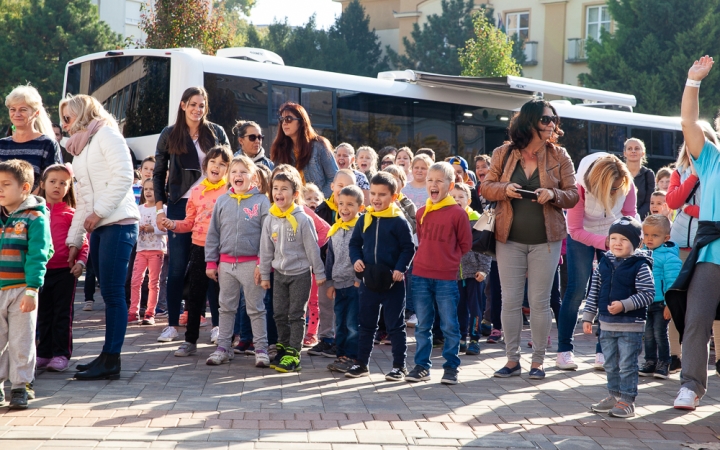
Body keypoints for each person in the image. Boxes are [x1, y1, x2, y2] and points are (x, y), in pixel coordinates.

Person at [481, 100, 579, 380]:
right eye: (546, 120)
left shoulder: (560, 155)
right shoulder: (503, 152)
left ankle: (538, 362)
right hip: (507, 238)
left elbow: (573, 194)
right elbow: (486, 187)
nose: (551, 125)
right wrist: (504, 189)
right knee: (509, 301)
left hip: (546, 240)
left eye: (553, 120)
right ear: (530, 121)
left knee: (539, 301)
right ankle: (512, 360)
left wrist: (554, 195)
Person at [63, 94, 139, 381]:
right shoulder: (81, 148)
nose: (65, 124)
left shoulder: (107, 133)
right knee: (108, 292)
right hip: (100, 225)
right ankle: (107, 356)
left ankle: (112, 359)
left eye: (68, 118)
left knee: (112, 293)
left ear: (82, 114)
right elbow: (82, 198)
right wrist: (75, 239)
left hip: (118, 222)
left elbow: (124, 176)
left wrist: (99, 212)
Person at [153, 87, 229, 343]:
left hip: (214, 205)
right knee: (176, 268)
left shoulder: (216, 132)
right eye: (193, 104)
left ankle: (218, 324)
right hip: (178, 204)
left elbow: (231, 163)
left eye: (202, 105)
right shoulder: (169, 133)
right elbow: (158, 172)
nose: (198, 109)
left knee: (212, 267)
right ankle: (172, 324)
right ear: (183, 105)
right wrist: (159, 208)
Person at [669, 55, 720, 410]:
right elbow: (688, 120)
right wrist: (693, 81)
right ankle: (691, 385)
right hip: (712, 252)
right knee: (697, 318)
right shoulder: (711, 158)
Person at [556, 153, 636, 371]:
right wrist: (605, 243)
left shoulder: (626, 182)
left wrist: (629, 237)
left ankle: (603, 351)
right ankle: (564, 350)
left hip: (614, 235)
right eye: (611, 188)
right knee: (576, 290)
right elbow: (574, 230)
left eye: (617, 188)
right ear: (599, 183)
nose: (614, 192)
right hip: (582, 236)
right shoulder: (579, 188)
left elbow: (630, 214)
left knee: (610, 291)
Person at [161, 145, 231, 358]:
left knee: (223, 296)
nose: (216, 167)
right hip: (199, 247)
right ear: (205, 165)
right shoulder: (196, 191)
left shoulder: (230, 191)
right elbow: (189, 222)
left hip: (223, 250)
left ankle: (223, 336)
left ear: (228, 169)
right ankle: (190, 340)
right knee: (195, 295)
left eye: (222, 164)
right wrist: (173, 224)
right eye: (213, 162)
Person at [407, 162, 472, 384]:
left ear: (450, 184)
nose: (433, 185)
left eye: (439, 181)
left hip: (446, 278)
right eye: (429, 180)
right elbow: (422, 240)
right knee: (423, 324)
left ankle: (451, 367)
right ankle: (421, 366)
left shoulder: (457, 214)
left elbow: (465, 244)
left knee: (449, 325)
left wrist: (448, 262)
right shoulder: (421, 212)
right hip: (420, 276)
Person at [583, 216, 654, 418]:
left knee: (627, 365)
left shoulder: (640, 265)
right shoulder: (604, 263)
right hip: (606, 325)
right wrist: (588, 316)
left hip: (631, 326)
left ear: (636, 243)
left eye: (623, 239)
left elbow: (648, 294)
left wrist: (625, 305)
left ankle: (627, 400)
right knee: (610, 364)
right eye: (613, 238)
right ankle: (614, 395)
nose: (617, 243)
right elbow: (593, 291)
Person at [345, 172, 414, 379]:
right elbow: (355, 243)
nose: (376, 198)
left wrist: (400, 269)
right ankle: (361, 363)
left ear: (393, 197)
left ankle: (399, 366)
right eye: (373, 193)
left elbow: (408, 248)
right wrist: (356, 259)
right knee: (366, 325)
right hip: (369, 281)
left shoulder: (399, 221)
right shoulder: (365, 217)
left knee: (395, 326)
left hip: (393, 283)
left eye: (382, 194)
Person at [205, 155, 271, 368]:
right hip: (225, 265)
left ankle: (261, 349)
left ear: (253, 177)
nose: (238, 175)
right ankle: (223, 347)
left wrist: (262, 263)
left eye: (243, 172)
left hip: (252, 265)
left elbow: (267, 235)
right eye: (234, 171)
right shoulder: (223, 200)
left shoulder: (261, 201)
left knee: (256, 308)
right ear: (228, 176)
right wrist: (211, 262)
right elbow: (213, 233)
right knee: (226, 307)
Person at [259, 169, 326, 373]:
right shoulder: (271, 217)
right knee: (279, 313)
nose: (279, 193)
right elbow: (265, 248)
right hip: (279, 274)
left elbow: (312, 248)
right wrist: (264, 274)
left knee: (296, 314)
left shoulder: (303, 219)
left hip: (300, 274)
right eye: (276, 188)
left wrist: (320, 272)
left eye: (284, 189)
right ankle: (284, 345)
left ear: (295, 194)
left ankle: (294, 353)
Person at [0, 160, 52, 408]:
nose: (0, 189)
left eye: (6, 184)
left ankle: (20, 385)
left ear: (25, 188)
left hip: (22, 288)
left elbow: (39, 253)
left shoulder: (35, 217)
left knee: (22, 339)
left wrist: (32, 288)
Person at [36, 164, 87, 373]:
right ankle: (44, 353)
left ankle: (60, 354)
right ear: (42, 184)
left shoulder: (72, 214)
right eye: (52, 181)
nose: (57, 186)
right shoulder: (35, 213)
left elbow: (83, 242)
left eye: (63, 183)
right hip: (40, 271)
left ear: (69, 187)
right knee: (43, 314)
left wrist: (81, 262)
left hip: (65, 271)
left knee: (62, 314)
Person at [307, 169, 357, 356]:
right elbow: (314, 237)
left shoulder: (357, 214)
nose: (343, 189)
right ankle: (325, 338)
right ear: (332, 187)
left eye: (349, 186)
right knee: (325, 305)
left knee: (343, 309)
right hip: (325, 268)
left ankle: (340, 339)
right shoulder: (322, 210)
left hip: (348, 272)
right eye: (340, 186)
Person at [325, 185, 363, 373]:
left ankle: (352, 356)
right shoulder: (335, 230)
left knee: (352, 323)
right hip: (339, 284)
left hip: (354, 284)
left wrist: (359, 279)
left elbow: (364, 255)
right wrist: (330, 283)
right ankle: (340, 355)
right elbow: (330, 258)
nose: (344, 208)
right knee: (339, 321)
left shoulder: (361, 228)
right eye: (341, 204)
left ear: (360, 208)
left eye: (350, 204)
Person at [639, 214, 681, 380]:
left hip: (660, 304)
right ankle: (650, 361)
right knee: (647, 334)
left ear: (666, 238)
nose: (649, 239)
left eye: (655, 235)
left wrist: (669, 305)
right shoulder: (640, 255)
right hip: (644, 303)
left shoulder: (670, 258)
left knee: (659, 333)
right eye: (647, 234)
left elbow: (672, 284)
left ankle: (664, 362)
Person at [451, 182, 490, 357]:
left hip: (475, 274)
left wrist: (483, 269)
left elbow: (485, 247)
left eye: (461, 197)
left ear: (468, 199)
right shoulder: (448, 218)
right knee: (458, 307)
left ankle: (474, 339)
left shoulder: (478, 219)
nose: (457, 200)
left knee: (475, 307)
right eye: (453, 197)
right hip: (454, 274)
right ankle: (461, 338)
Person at [270, 102, 338, 197]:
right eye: (282, 119)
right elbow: (275, 180)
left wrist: (318, 200)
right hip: (292, 207)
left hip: (317, 207)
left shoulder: (319, 145)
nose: (284, 123)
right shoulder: (281, 149)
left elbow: (334, 178)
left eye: (288, 119)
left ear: (301, 122)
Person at [2, 86, 62, 190]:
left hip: (34, 205)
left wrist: (27, 204)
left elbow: (51, 182)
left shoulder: (47, 144)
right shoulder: (2, 145)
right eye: (13, 109)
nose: (17, 114)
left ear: (36, 113)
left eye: (23, 109)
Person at [129, 178, 166, 325]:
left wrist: (154, 229)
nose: (149, 192)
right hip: (141, 250)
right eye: (146, 189)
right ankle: (133, 312)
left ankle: (150, 313)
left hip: (156, 250)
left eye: (152, 189)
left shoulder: (163, 209)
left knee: (153, 283)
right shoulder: (139, 209)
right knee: (135, 281)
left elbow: (167, 229)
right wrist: (138, 229)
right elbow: (133, 229)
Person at [624, 138, 655, 219]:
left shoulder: (648, 174)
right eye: (629, 149)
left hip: (640, 220)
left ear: (643, 153)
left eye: (637, 148)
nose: (633, 151)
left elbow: (649, 201)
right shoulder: (619, 173)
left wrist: (635, 216)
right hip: (619, 218)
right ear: (625, 153)